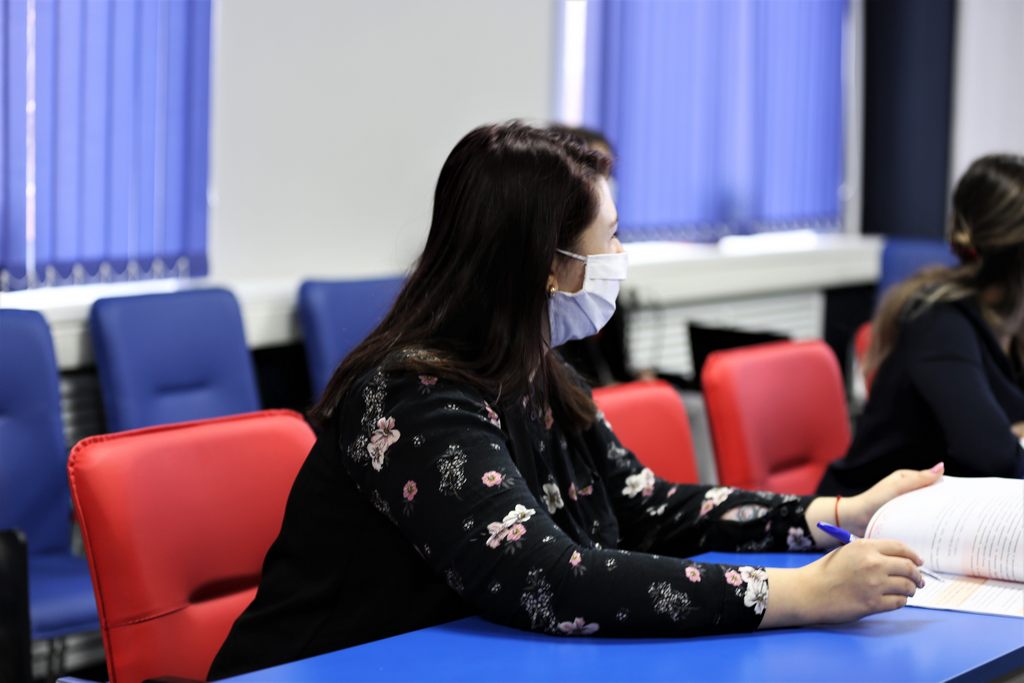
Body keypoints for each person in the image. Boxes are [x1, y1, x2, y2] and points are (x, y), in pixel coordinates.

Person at [209, 122, 941, 679]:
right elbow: (547, 577)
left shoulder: (535, 369)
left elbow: (648, 507)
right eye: (611, 238)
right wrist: (797, 595)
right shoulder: (408, 399)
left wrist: (835, 515)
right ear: (549, 268)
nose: (621, 258)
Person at [819, 154, 1024, 496]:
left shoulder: (1010, 325)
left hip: (943, 507)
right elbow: (993, 457)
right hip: (865, 514)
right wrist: (1009, 434)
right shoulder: (938, 321)